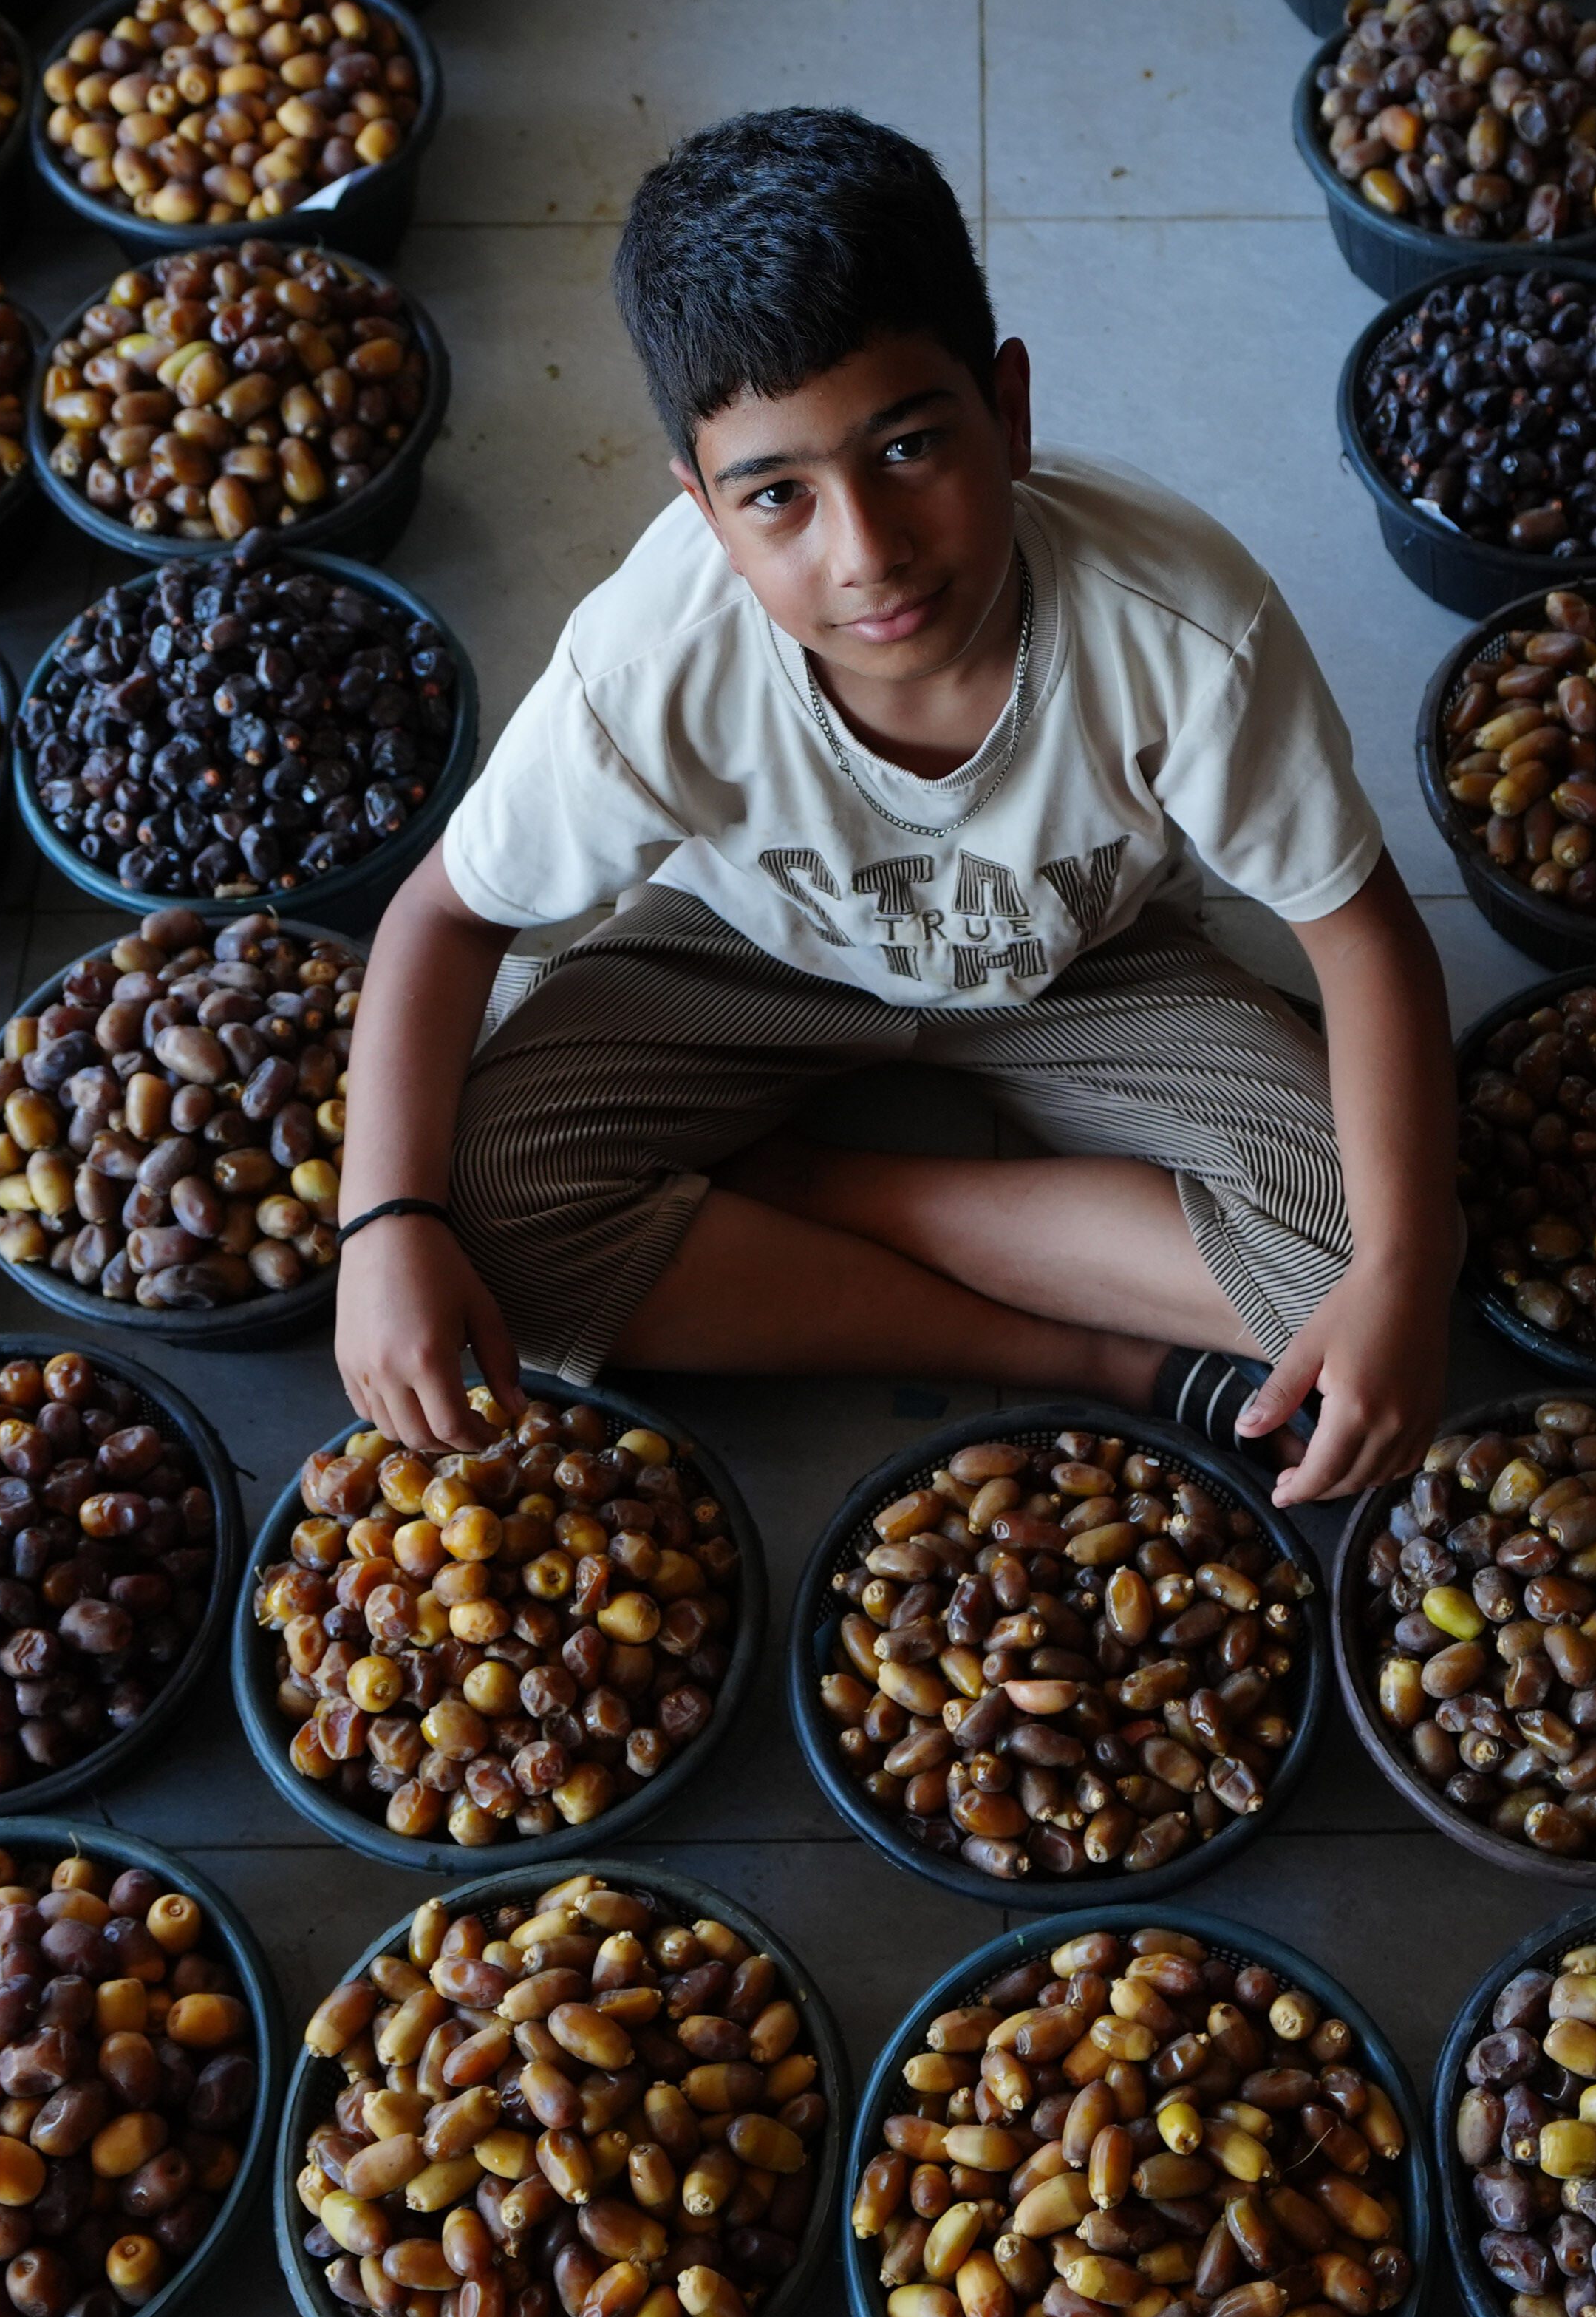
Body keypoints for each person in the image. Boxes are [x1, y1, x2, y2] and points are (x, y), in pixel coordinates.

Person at [331, 105, 1453, 1508]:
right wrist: (383, 1227)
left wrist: (1404, 1269)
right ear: (703, 510)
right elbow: (444, 917)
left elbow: (1360, 935)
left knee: (1383, 1254)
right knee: (471, 1223)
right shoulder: (651, 660)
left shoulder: (1184, 632)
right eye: (777, 497)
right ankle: (1072, 1354)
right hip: (747, 949)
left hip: (1082, 957)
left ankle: (824, 1190)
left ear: (1011, 410)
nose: (866, 554)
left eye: (911, 449)